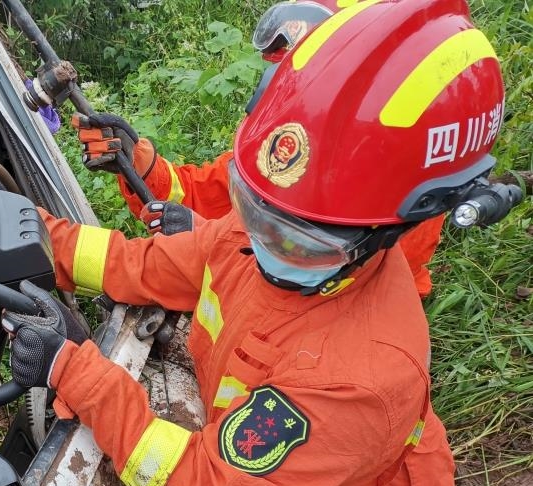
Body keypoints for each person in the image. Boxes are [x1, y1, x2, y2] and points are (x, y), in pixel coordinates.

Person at [3, 0, 508, 486]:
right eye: (254, 211)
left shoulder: (357, 377)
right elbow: (138, 266)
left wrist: (73, 371)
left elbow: (196, 485)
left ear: (381, 233)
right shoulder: (283, 216)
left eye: (292, 236)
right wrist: (25, 234)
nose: (259, 242)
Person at [73, 0, 446, 299]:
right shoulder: (293, 144)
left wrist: (210, 240)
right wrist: (134, 162)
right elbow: (205, 192)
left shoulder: (399, 186)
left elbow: (316, 282)